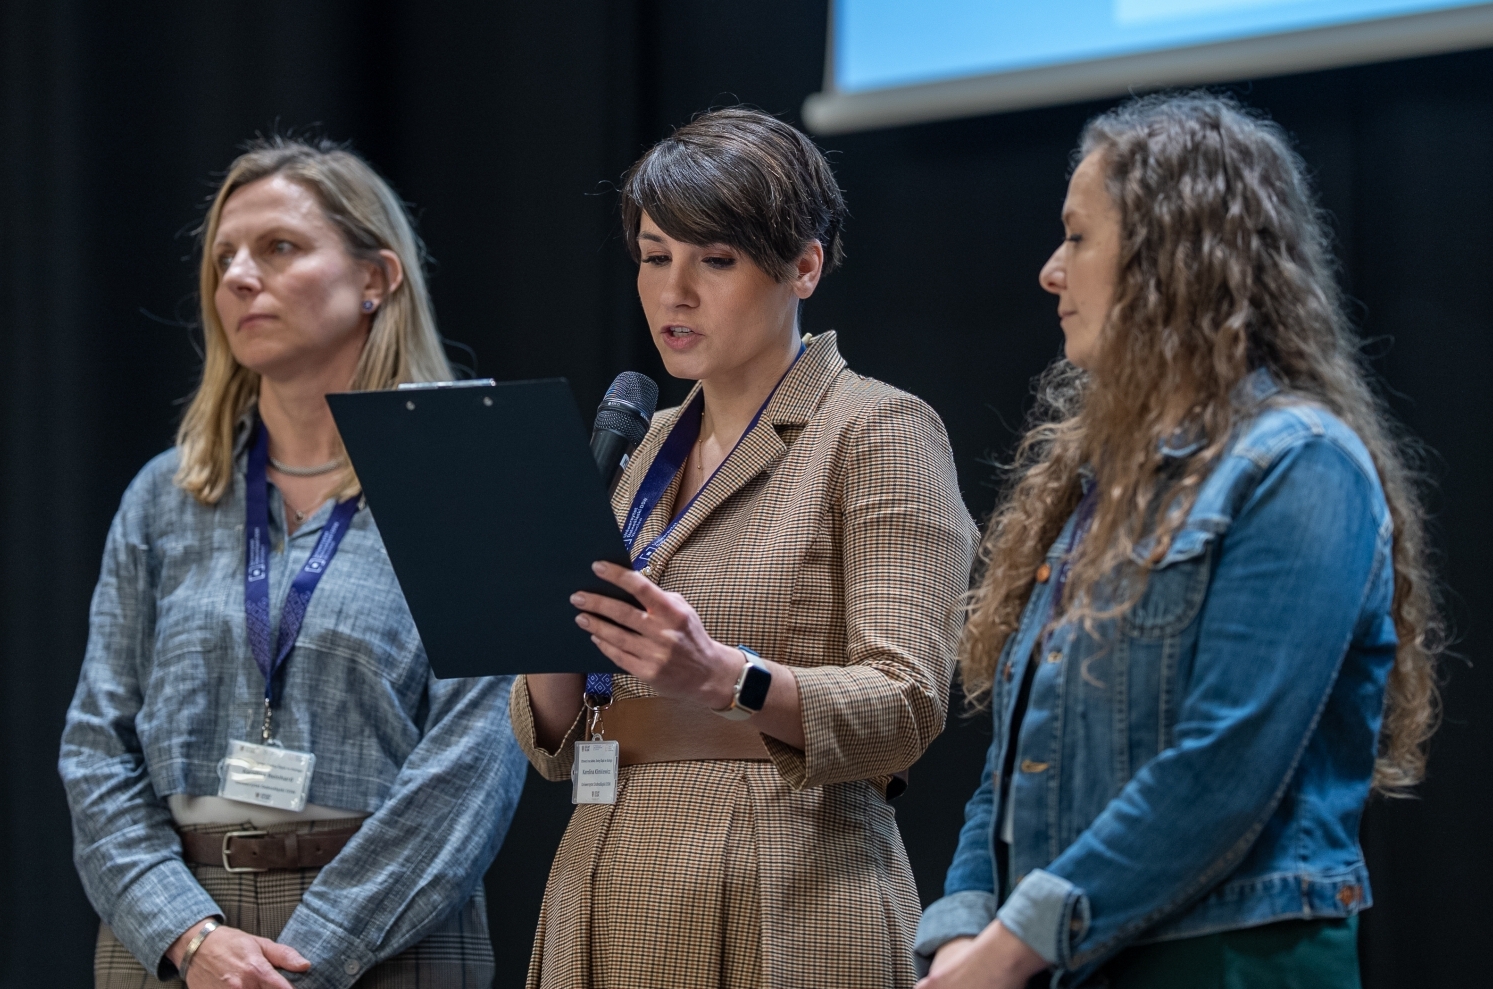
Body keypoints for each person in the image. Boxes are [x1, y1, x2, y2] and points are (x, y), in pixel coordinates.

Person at [915, 94, 1442, 988]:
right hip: (1062, 956)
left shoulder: (1300, 462)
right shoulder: (1098, 488)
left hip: (1228, 959)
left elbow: (1223, 764)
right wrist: (962, 928)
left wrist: (1006, 950)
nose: (1050, 271)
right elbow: (1012, 768)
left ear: (1172, 257)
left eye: (1078, 238)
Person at [511, 107, 979, 988]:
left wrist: (726, 676)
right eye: (655, 256)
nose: (674, 292)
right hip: (603, 865)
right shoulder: (638, 445)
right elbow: (560, 735)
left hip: (787, 878)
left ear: (805, 266)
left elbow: (907, 703)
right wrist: (529, 611)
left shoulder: (876, 427)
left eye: (715, 260)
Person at [59, 136, 524, 989]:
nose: (239, 276)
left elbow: (475, 761)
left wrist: (309, 960)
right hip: (174, 942)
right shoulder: (167, 496)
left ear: (376, 278)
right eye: (224, 258)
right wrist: (190, 935)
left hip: (389, 938)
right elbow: (96, 747)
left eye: (278, 247)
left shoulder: (462, 486)